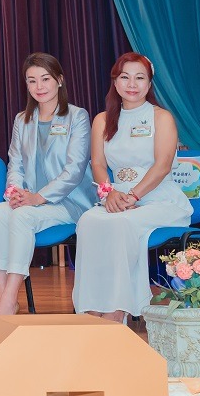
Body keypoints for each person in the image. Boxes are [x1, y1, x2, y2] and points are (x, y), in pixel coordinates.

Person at [73, 53, 191, 321]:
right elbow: (98, 164)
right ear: (115, 82)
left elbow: (162, 165)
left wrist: (134, 195)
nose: (132, 84)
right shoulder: (102, 120)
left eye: (140, 78)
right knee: (88, 221)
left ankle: (118, 311)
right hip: (116, 196)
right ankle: (91, 309)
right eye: (125, 77)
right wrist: (109, 194)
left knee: (122, 224)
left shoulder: (161, 117)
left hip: (159, 197)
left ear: (149, 83)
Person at [0, 52, 96, 315]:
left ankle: (7, 301)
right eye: (32, 80)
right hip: (30, 200)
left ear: (59, 80)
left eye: (45, 79)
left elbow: (74, 170)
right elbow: (15, 163)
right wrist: (15, 193)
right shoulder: (22, 120)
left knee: (22, 216)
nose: (39, 86)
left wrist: (38, 198)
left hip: (69, 202)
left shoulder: (77, 117)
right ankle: (5, 297)